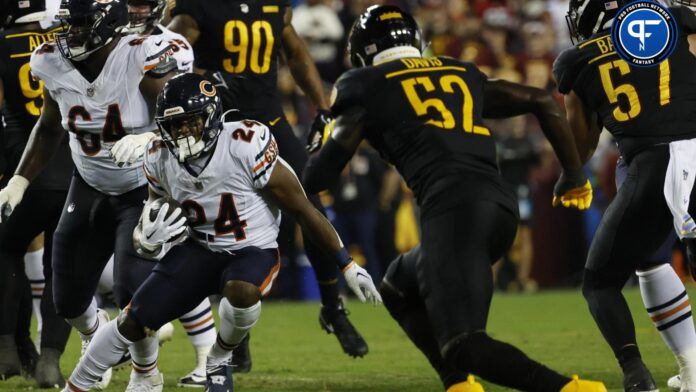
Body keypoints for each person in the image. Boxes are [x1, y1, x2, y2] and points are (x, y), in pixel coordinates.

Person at [303, 5, 604, 392]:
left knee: (465, 343)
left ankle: (571, 390)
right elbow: (542, 101)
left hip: (454, 211)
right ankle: (459, 385)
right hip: (498, 207)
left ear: (362, 52)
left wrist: (321, 138)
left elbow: (320, 177)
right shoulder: (458, 70)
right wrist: (574, 176)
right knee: (397, 284)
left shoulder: (362, 84)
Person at [61, 72, 381, 392]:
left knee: (242, 291)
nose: (181, 132)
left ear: (212, 116)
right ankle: (75, 386)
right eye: (174, 125)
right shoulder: (159, 157)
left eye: (190, 122)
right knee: (131, 322)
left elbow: (303, 209)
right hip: (200, 248)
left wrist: (346, 264)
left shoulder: (245, 144)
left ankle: (219, 355)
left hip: (252, 249)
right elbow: (155, 214)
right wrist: (145, 240)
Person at [166, 0, 370, 369]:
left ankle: (332, 308)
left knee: (310, 207)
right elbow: (166, 56)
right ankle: (236, 332)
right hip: (218, 126)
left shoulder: (272, 7)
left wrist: (323, 108)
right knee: (224, 224)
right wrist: (201, 79)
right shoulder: (200, 9)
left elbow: (295, 52)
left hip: (269, 121)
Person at [0, 0, 187, 389]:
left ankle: (146, 372)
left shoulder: (139, 55)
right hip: (87, 185)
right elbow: (50, 127)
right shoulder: (50, 60)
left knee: (131, 290)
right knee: (67, 301)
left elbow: (182, 120)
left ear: (112, 24)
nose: (72, 34)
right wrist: (18, 182)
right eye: (70, 25)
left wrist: (150, 138)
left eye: (83, 24)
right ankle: (99, 331)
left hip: (143, 188)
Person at [554, 0, 696, 390]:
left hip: (653, 163)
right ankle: (693, 371)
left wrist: (569, 174)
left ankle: (637, 374)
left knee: (600, 282)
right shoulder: (680, 22)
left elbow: (579, 148)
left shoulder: (576, 60)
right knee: (651, 261)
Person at [122, 0, 217, 386]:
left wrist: (147, 137)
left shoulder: (171, 44)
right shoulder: (105, 45)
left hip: (158, 166)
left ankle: (204, 359)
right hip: (109, 168)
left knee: (174, 264)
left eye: (143, 2)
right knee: (139, 266)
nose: (135, 9)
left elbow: (177, 111)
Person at [0, 0, 73, 387]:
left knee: (7, 246)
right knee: (59, 263)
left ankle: (7, 345)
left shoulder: (5, 41)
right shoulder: (69, 38)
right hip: (72, 167)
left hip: (21, 164)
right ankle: (49, 359)